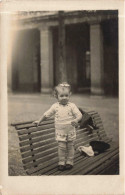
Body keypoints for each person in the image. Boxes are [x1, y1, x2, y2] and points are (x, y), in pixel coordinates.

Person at [33, 82, 82, 171]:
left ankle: (70, 161)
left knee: (70, 146)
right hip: (61, 132)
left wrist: (76, 120)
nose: (64, 98)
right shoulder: (55, 106)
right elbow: (47, 114)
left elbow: (79, 115)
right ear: (56, 96)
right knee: (61, 147)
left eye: (66, 95)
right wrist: (39, 121)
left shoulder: (72, 106)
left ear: (69, 95)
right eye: (61, 96)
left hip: (70, 131)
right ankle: (61, 162)